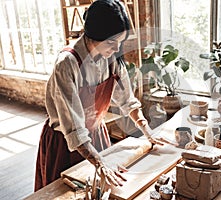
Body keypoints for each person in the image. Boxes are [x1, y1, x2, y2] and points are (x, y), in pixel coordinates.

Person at [34, 0, 163, 191]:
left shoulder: (111, 59)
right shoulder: (67, 63)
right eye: (111, 43)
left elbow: (128, 101)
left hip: (96, 134)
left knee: (105, 190)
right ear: (94, 34)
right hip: (65, 142)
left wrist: (147, 131)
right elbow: (74, 129)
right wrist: (100, 162)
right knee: (68, 192)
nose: (115, 49)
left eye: (119, 43)